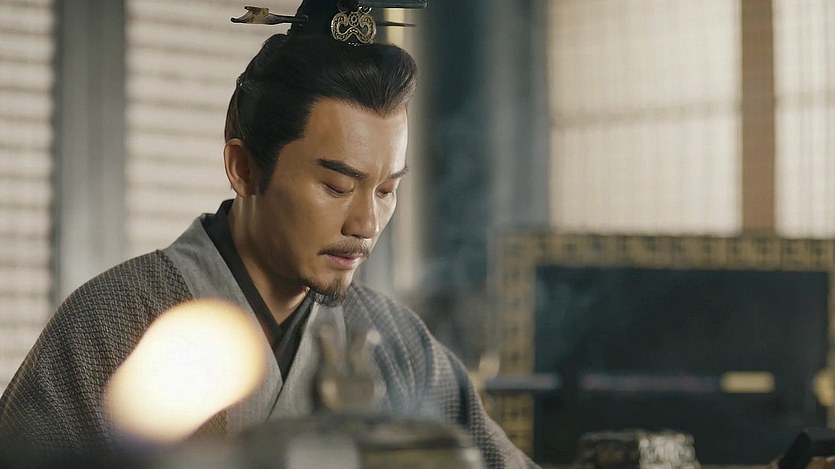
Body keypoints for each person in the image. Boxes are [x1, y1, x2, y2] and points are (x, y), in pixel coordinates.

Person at [0, 1, 537, 467]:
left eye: (386, 190)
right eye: (336, 186)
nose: (366, 225)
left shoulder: (396, 343)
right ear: (244, 168)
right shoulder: (111, 325)